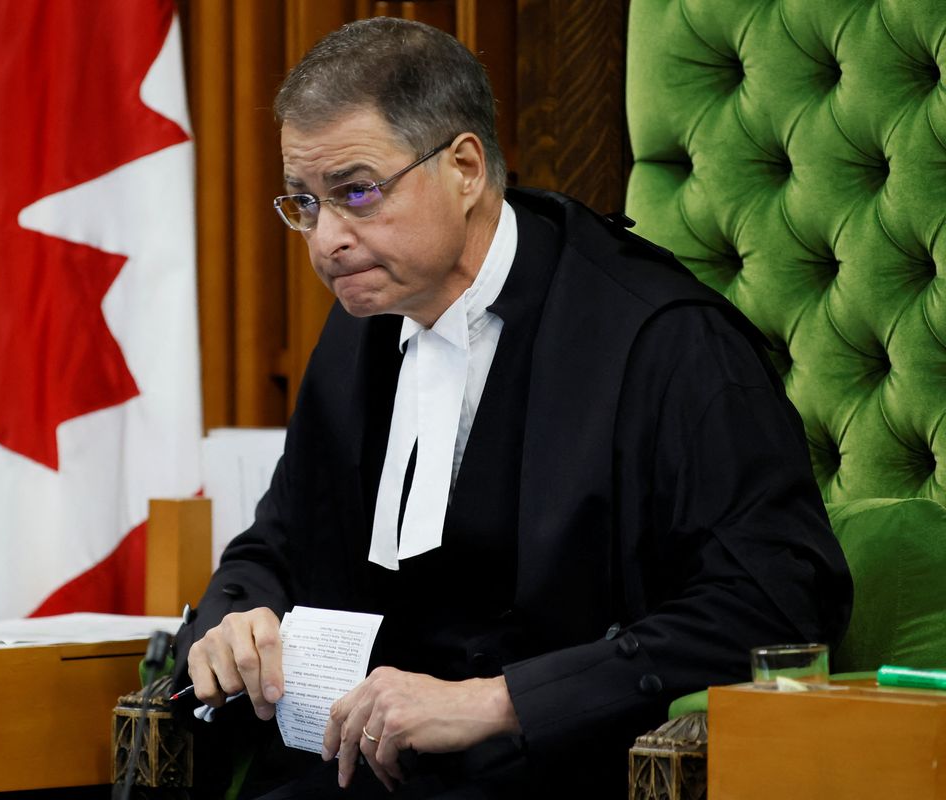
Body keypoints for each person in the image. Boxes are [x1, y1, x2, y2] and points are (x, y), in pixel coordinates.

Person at [173, 16, 852, 798]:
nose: (326, 241)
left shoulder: (658, 340)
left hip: (567, 768)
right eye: (304, 202)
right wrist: (236, 617)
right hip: (355, 772)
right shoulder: (362, 325)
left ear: (464, 167)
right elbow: (278, 545)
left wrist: (498, 703)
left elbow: (776, 602)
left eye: (357, 192)